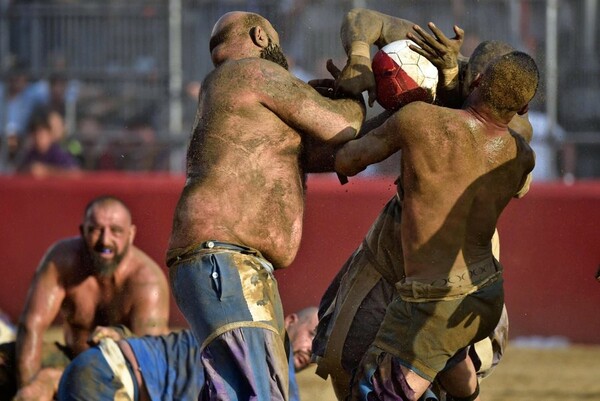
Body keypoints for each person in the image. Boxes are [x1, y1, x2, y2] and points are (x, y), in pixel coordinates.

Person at [313, 9, 534, 401]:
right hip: (457, 275)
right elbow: (362, 17)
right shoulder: (514, 147)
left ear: (476, 79)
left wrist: (435, 92)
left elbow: (350, 156)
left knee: (384, 385)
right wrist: (361, 61)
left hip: (440, 279)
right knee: (360, 356)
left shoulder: (507, 135)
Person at [166, 10, 365, 401]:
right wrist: (355, 88)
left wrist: (409, 116)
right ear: (260, 36)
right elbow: (341, 125)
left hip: (235, 265)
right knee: (260, 394)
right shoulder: (249, 72)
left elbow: (344, 149)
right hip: (224, 260)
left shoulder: (247, 104)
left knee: (263, 391)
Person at [0, 195, 170, 401]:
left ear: (131, 234)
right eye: (95, 230)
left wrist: (55, 382)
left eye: (115, 231)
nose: (105, 240)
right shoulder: (62, 262)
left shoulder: (147, 282)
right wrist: (28, 387)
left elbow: (150, 363)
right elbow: (31, 326)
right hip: (69, 359)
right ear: (82, 231)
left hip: (117, 377)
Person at [56, 307, 319, 401]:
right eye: (312, 335)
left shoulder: (246, 330)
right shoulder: (273, 358)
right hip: (109, 377)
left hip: (101, 370)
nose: (311, 350)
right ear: (290, 321)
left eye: (321, 348)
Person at [16, 108, 81, 178]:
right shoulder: (31, 153)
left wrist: (46, 171)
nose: (38, 138)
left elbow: (75, 173)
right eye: (35, 134)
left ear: (50, 135)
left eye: (41, 135)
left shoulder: (58, 153)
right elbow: (18, 172)